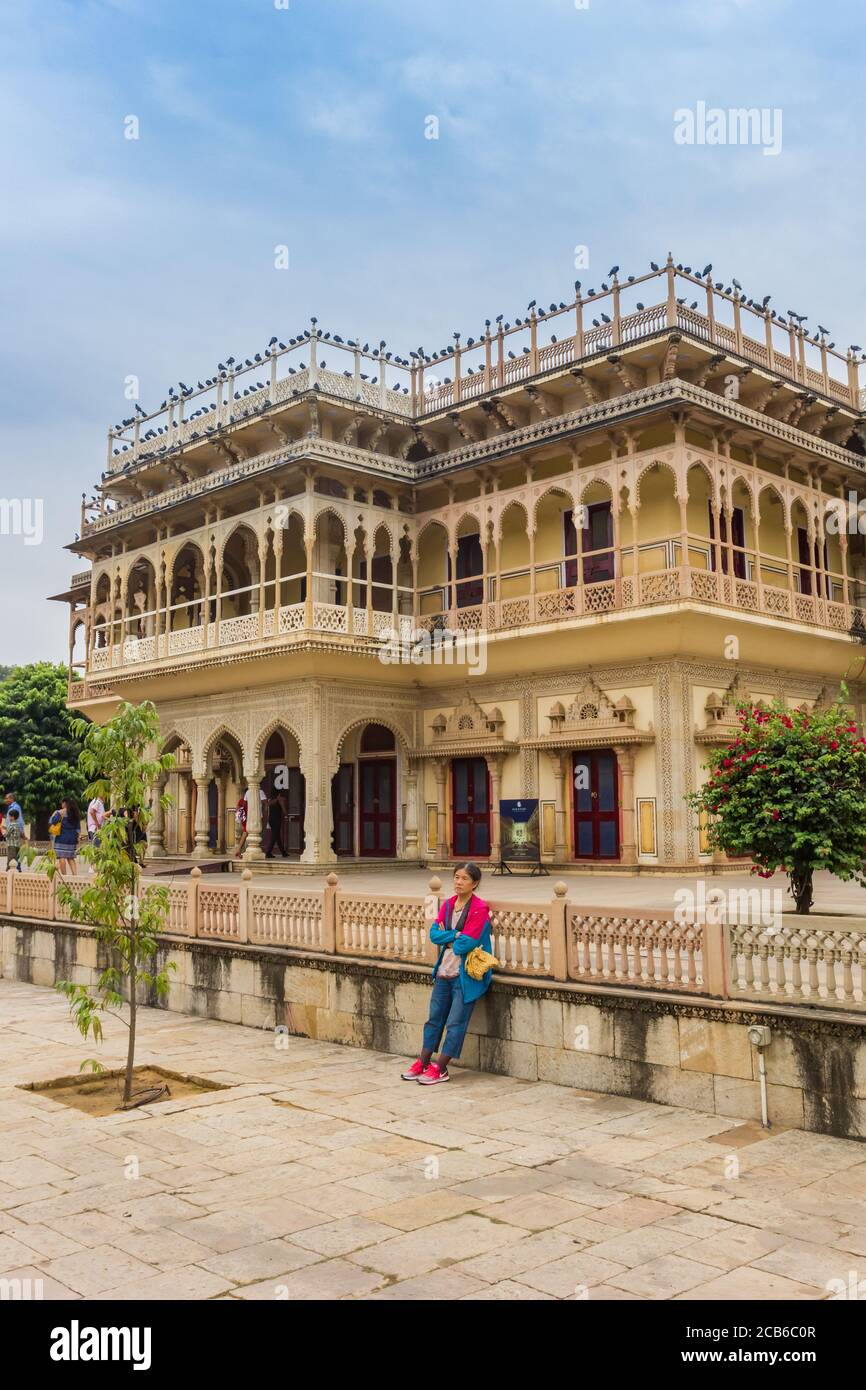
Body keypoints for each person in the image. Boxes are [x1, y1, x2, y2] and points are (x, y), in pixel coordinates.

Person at [401, 862, 495, 1086]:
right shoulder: (449, 905)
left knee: (455, 1022)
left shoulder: (479, 908)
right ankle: (423, 1061)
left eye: (464, 879)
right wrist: (456, 935)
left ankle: (441, 1067)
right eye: (456, 877)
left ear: (475, 883)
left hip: (466, 976)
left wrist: (451, 936)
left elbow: (465, 945)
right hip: (444, 971)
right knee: (433, 1020)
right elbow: (434, 934)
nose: (458, 882)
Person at [50, 798, 81, 876]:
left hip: (62, 838)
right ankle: (75, 876)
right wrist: (77, 837)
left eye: (62, 803)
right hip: (72, 838)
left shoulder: (61, 812)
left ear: (65, 803)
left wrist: (58, 813)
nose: (61, 804)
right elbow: (78, 828)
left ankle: (65, 876)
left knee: (62, 857)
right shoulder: (75, 813)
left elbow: (53, 822)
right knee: (70, 858)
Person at [264, 794, 286, 858]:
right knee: (274, 837)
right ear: (279, 796)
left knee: (277, 837)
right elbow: (285, 812)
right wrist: (282, 804)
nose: (284, 798)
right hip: (276, 821)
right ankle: (268, 852)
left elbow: (267, 807)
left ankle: (283, 852)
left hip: (271, 820)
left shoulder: (271, 801)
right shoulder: (278, 802)